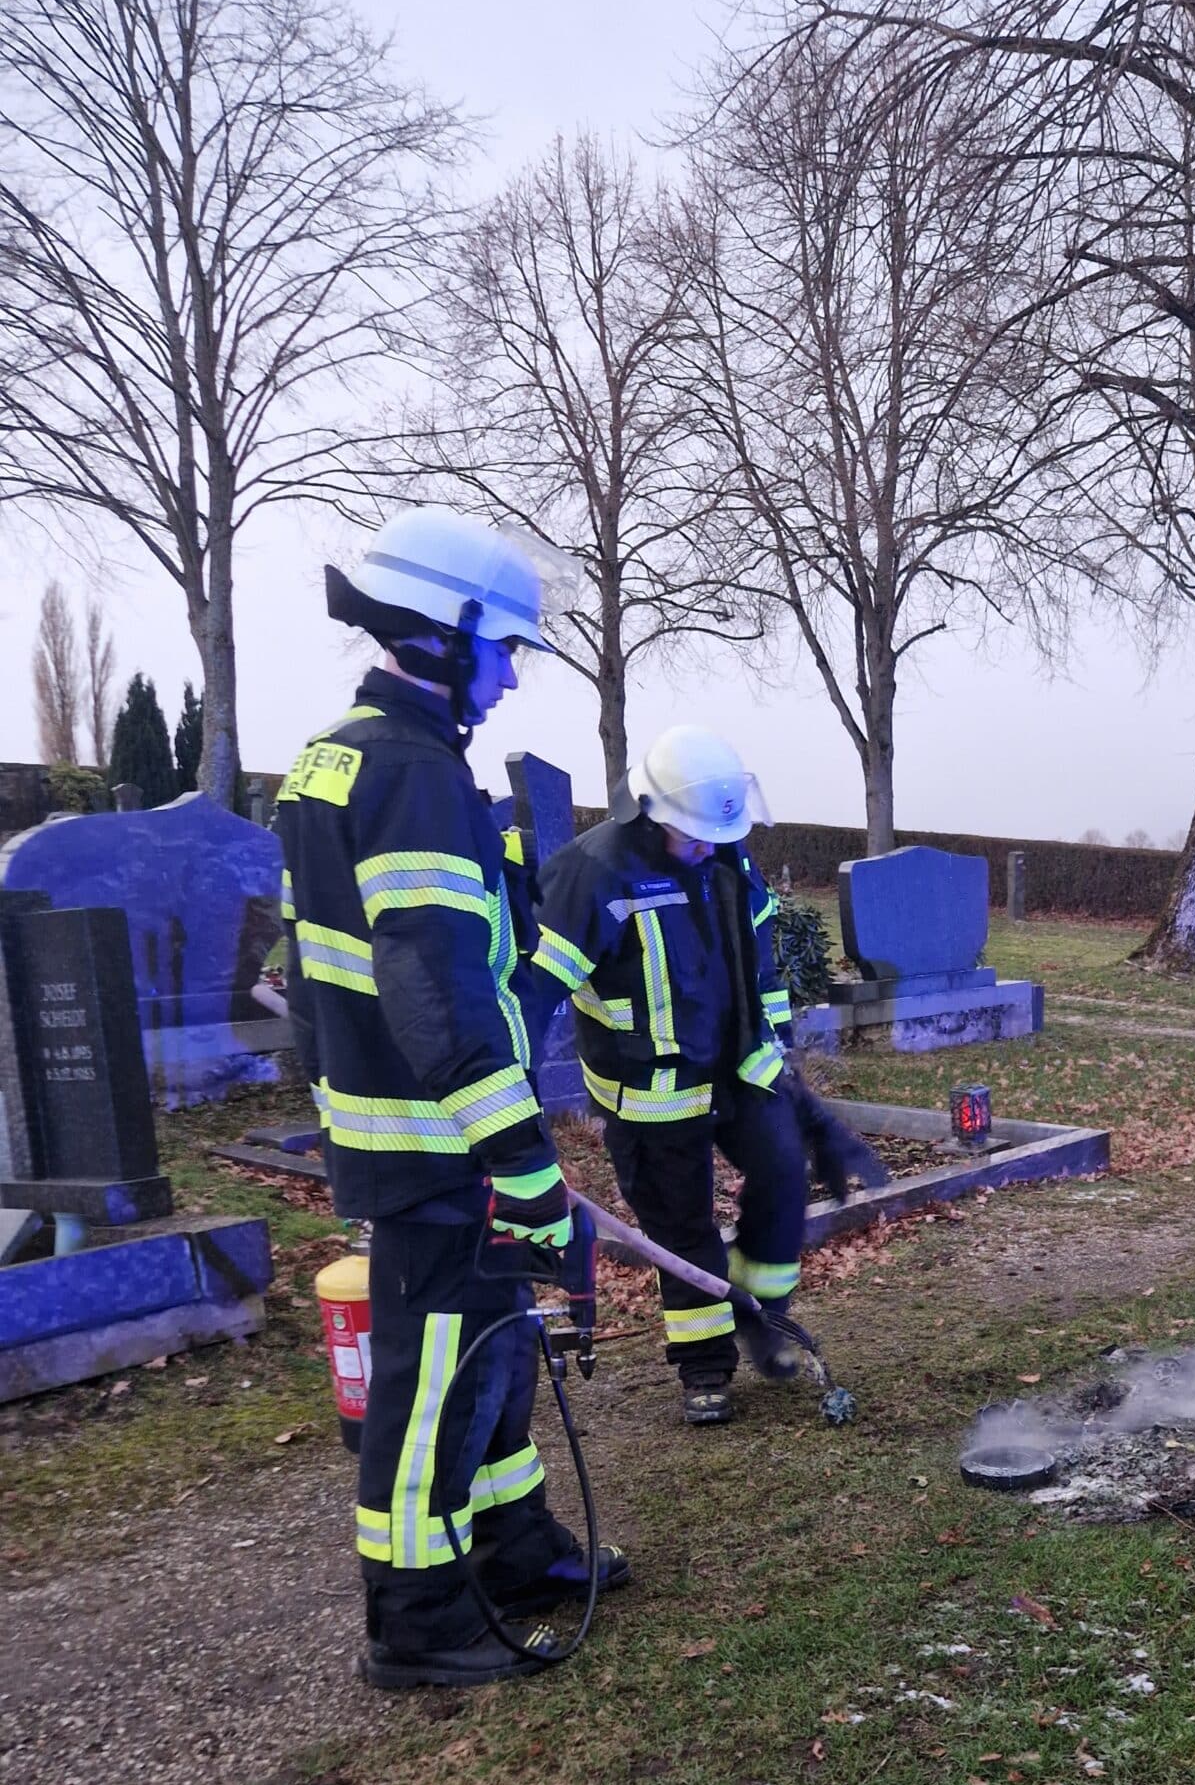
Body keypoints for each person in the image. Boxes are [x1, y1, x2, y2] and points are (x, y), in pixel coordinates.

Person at [278, 505, 628, 1688]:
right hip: (434, 1140)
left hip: (413, 1125)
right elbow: (432, 984)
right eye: (503, 648)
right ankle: (419, 1617)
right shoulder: (412, 775)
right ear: (443, 632)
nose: (512, 672)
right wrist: (520, 1158)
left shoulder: (344, 755)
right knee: (432, 1382)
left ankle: (513, 1550)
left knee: (493, 1351)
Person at [531, 723, 878, 1424]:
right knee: (682, 1226)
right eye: (693, 836)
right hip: (649, 1095)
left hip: (738, 1070)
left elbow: (760, 968)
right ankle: (704, 1366)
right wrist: (510, 1098)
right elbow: (536, 992)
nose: (706, 847)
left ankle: (761, 1315)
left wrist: (786, 1069)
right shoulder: (591, 874)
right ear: (648, 811)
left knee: (783, 1173)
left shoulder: (726, 856)